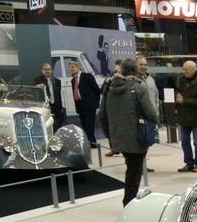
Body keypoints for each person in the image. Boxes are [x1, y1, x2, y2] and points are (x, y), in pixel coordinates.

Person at [97, 59, 158, 207]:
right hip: (136, 136)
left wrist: (110, 135)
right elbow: (151, 113)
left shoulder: (109, 88)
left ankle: (130, 200)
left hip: (118, 136)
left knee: (131, 167)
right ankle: (129, 203)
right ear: (136, 70)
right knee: (134, 171)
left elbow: (101, 114)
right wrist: (155, 120)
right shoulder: (138, 87)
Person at [174, 60, 197, 173]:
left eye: (186, 69)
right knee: (184, 141)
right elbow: (178, 92)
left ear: (194, 70)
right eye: (183, 69)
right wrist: (177, 96)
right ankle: (189, 163)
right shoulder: (181, 79)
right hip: (183, 116)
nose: (184, 71)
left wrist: (184, 101)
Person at [68, 60, 101, 151]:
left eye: (73, 67)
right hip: (80, 104)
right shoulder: (72, 80)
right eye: (70, 67)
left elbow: (97, 90)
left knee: (90, 125)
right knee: (84, 125)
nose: (71, 69)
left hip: (90, 105)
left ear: (79, 67)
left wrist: (95, 102)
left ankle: (91, 142)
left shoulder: (87, 76)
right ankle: (90, 142)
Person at [34, 62, 64, 131]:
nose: (47, 71)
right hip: (45, 105)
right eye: (45, 69)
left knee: (57, 125)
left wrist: (61, 107)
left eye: (49, 69)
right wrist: (37, 86)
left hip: (56, 106)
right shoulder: (38, 80)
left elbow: (59, 95)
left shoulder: (57, 81)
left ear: (51, 70)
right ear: (42, 71)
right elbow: (33, 88)